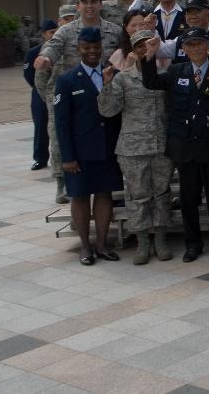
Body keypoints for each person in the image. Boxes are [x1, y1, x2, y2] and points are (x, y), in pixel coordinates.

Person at [140, 27, 209, 262]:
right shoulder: (175, 71)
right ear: (183, 49)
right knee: (189, 199)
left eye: (199, 43)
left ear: (208, 45)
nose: (195, 49)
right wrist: (150, 55)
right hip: (184, 146)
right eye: (189, 45)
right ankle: (193, 244)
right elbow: (151, 82)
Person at [35, 0, 123, 204]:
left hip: (104, 92)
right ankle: (62, 182)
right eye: (85, 2)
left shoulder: (114, 30)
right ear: (78, 6)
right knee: (59, 136)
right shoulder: (66, 30)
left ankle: (109, 182)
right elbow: (52, 47)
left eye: (94, 1)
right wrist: (45, 59)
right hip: (73, 93)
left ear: (100, 4)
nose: (90, 6)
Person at [97, 28, 173, 265]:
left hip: (161, 146)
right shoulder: (122, 77)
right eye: (139, 45)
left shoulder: (164, 74)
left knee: (161, 194)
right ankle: (142, 243)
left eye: (148, 44)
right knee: (137, 197)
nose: (144, 49)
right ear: (132, 49)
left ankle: (160, 241)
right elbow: (108, 110)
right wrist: (107, 85)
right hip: (133, 148)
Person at [54, 27, 123, 266]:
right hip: (80, 153)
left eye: (96, 47)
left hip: (107, 149)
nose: (92, 51)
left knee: (104, 195)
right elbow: (61, 124)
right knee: (80, 198)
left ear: (101, 48)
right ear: (79, 49)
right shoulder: (66, 80)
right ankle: (85, 245)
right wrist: (68, 156)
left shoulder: (113, 73)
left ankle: (102, 243)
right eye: (87, 47)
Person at [24, 19, 58, 170]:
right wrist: (40, 88)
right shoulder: (34, 52)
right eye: (51, 32)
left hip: (59, 92)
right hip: (39, 93)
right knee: (40, 126)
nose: (54, 35)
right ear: (44, 34)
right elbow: (28, 74)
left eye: (56, 31)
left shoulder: (61, 48)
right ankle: (40, 158)